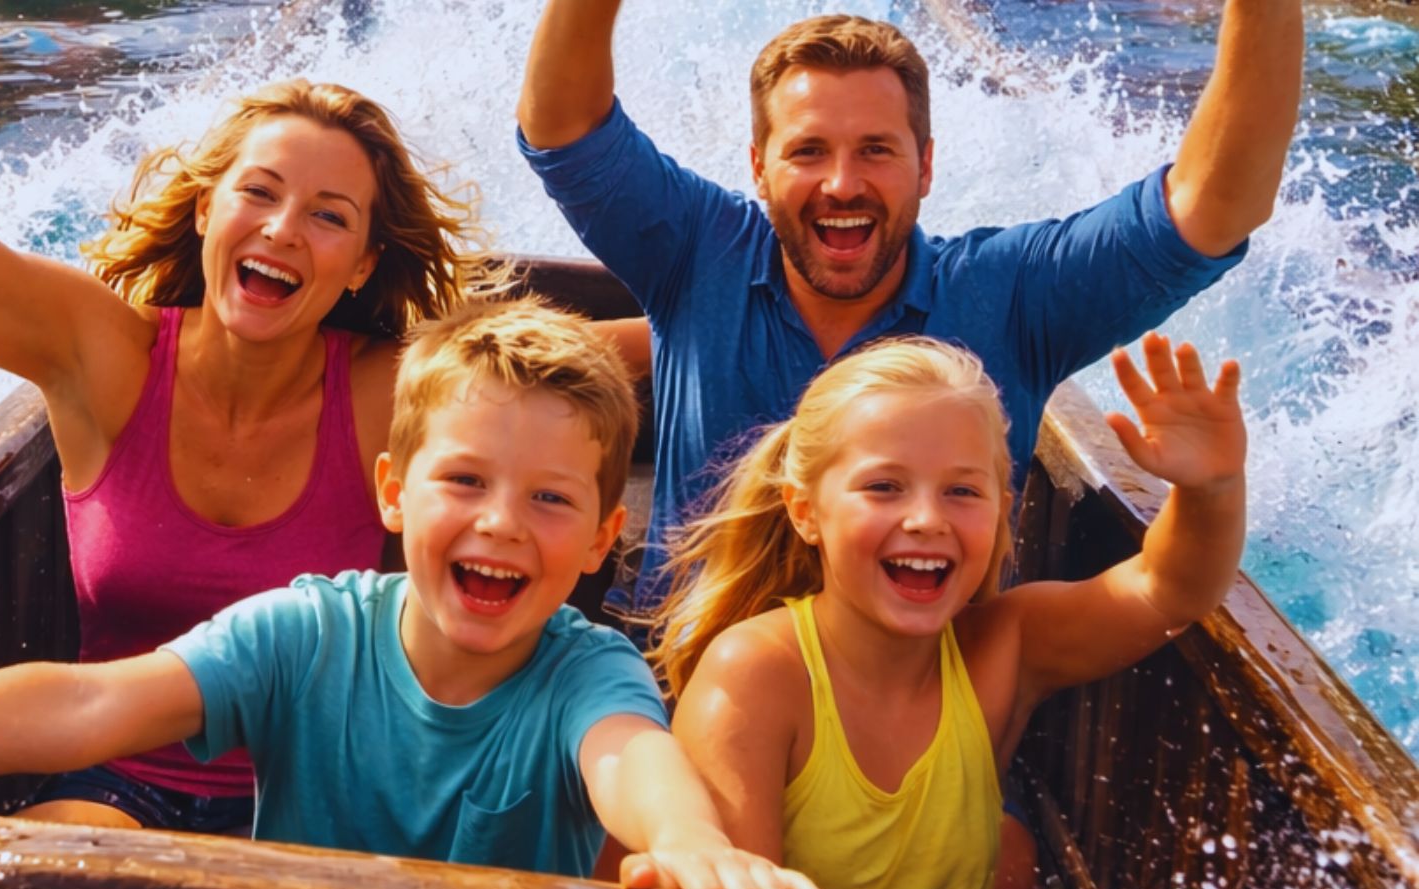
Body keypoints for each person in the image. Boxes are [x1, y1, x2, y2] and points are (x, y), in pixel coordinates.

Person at [0, 298, 826, 889]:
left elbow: (633, 762)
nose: (502, 524)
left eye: (551, 501)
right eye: (464, 480)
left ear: (602, 539)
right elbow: (88, 704)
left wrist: (696, 843)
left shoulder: (588, 669)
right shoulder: (311, 628)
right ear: (391, 493)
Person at [0, 1, 494, 832]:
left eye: (328, 215)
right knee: (19, 888)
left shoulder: (392, 389)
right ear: (205, 211)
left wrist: (662, 307)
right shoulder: (105, 356)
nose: (281, 228)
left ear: (364, 263)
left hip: (318, 801)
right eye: (257, 193)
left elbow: (574, 363)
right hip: (117, 791)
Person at [516, 2, 1297, 619]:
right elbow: (563, 126)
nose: (843, 184)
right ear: (760, 166)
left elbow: (1212, 207)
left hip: (918, 718)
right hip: (682, 691)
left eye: (877, 151)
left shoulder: (1012, 296)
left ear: (927, 166)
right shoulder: (698, 251)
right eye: (809, 151)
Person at [649, 333, 1246, 889]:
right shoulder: (756, 675)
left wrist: (1210, 488)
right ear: (806, 511)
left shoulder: (1001, 647)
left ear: (1000, 508)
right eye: (884, 487)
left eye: (962, 491)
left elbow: (1167, 589)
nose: (926, 519)